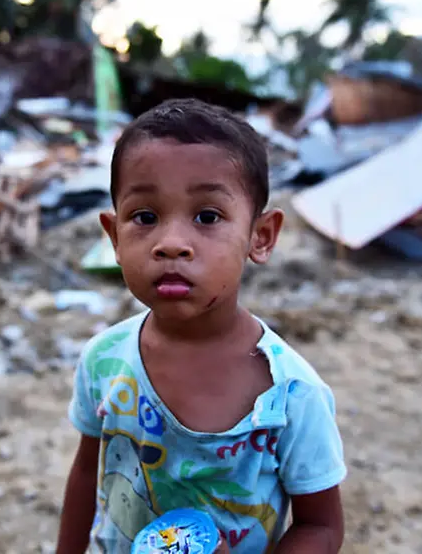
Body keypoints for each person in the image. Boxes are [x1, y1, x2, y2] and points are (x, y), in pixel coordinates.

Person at [56, 98, 347, 554]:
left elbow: (322, 527)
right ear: (114, 237)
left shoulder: (291, 395)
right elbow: (85, 474)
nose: (172, 244)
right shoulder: (104, 360)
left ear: (260, 237)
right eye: (145, 217)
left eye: (207, 217)